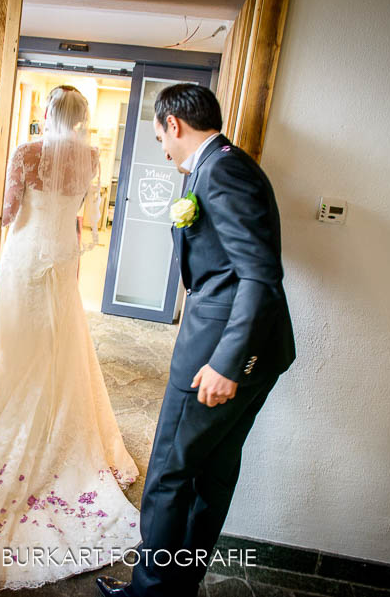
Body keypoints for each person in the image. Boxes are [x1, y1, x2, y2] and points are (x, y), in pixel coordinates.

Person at [0, 85, 141, 594]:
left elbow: (10, 211)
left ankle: (8, 419)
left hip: (26, 260)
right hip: (62, 259)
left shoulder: (27, 152)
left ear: (46, 113)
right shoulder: (90, 157)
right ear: (81, 119)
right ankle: (52, 421)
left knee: (20, 345)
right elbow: (80, 211)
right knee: (61, 349)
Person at [96, 84, 296, 597]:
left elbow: (258, 274)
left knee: (167, 476)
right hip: (256, 350)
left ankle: (149, 595)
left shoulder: (222, 171)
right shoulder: (229, 163)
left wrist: (228, 362)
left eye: (160, 134)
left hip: (221, 354)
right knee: (211, 475)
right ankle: (175, 588)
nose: (162, 147)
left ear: (174, 124)